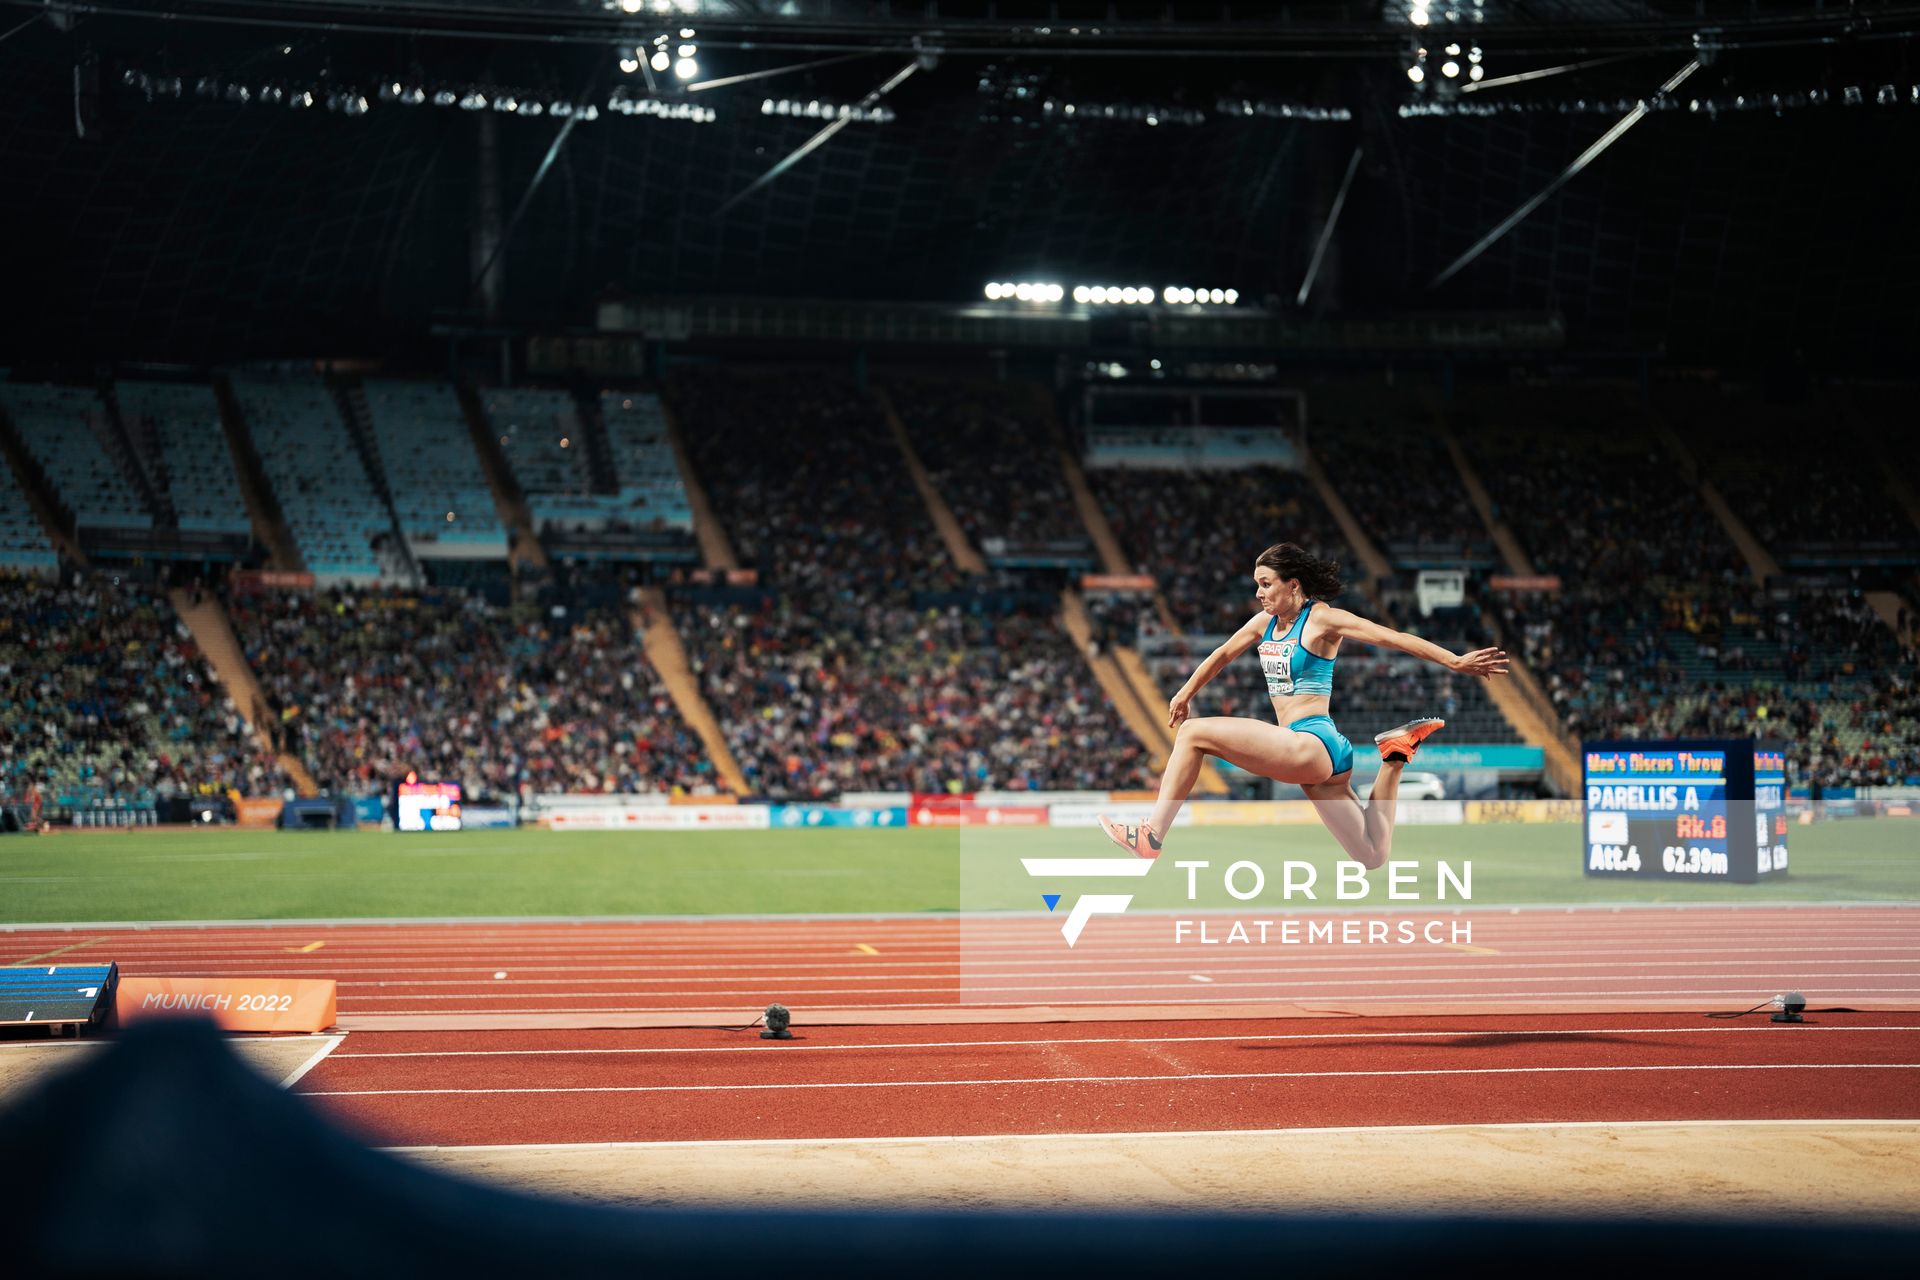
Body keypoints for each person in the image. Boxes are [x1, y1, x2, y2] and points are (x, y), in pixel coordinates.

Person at [1098, 542, 1508, 868]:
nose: (1259, 594)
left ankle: (1151, 835)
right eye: (1256, 586)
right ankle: (1394, 757)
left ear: (1293, 585)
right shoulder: (1264, 624)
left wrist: (1454, 660)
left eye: (1266, 584)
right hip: (1319, 762)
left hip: (1311, 740)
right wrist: (1186, 691)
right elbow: (1223, 654)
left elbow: (1391, 637)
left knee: (1192, 734)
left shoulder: (1323, 620)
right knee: (1372, 855)